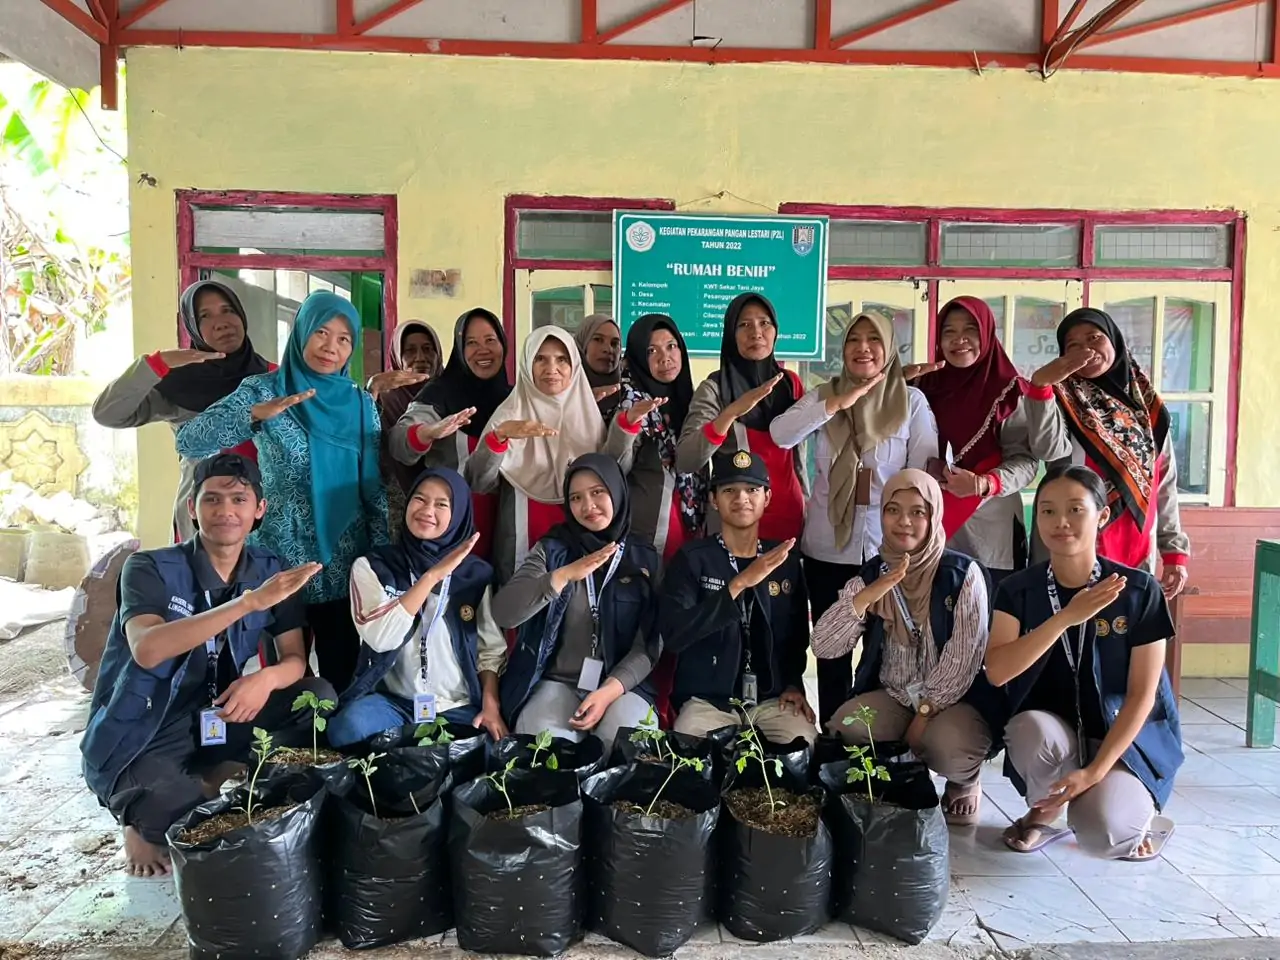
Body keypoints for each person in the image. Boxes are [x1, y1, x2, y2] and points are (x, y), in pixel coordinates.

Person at [80, 453, 334, 877]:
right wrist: (248, 603)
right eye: (212, 499)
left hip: (221, 709)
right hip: (153, 721)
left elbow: (294, 659)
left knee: (317, 696)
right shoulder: (149, 568)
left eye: (239, 499)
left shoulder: (269, 569)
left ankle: (214, 773)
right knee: (172, 811)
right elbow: (147, 649)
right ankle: (138, 819)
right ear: (192, 508)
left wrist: (265, 680)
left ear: (259, 509)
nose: (226, 511)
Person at [177, 291, 389, 692]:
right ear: (302, 332)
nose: (331, 346)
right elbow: (189, 440)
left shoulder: (360, 404)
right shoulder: (262, 390)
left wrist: (381, 558)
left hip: (342, 560)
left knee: (343, 679)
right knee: (281, 681)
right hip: (279, 558)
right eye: (322, 332)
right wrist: (252, 416)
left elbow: (372, 489)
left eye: (344, 339)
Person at [986, 464, 1182, 860]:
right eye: (1047, 511)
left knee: (1105, 836)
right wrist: (1065, 618)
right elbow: (998, 671)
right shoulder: (1016, 590)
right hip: (1058, 734)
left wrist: (1094, 772)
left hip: (1123, 740)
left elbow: (1142, 697)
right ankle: (1046, 811)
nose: (1061, 522)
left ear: (1102, 515)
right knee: (1027, 728)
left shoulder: (1138, 590)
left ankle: (1134, 810)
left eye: (1075, 509)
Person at [769, 312, 938, 724]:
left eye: (873, 339)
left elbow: (923, 476)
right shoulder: (824, 395)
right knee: (832, 655)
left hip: (887, 552)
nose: (863, 348)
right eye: (853, 340)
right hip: (827, 548)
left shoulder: (911, 402)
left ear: (889, 349)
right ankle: (834, 734)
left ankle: (874, 738)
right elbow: (781, 434)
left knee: (884, 654)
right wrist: (836, 404)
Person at [811, 469, 1002, 826]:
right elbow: (823, 645)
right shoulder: (873, 574)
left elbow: (962, 661)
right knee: (846, 727)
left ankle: (964, 780)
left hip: (953, 702)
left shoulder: (961, 574)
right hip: (895, 693)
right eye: (893, 510)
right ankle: (902, 770)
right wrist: (867, 596)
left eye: (918, 512)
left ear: (934, 516)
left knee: (949, 747)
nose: (904, 522)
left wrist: (923, 717)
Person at [327, 467, 508, 747]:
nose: (427, 510)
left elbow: (489, 650)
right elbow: (381, 638)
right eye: (420, 499)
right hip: (393, 704)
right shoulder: (374, 566)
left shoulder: (475, 575)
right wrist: (431, 577)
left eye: (441, 504)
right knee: (347, 730)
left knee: (486, 746)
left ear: (459, 515)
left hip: (456, 706)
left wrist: (491, 706)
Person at [492, 454, 659, 752]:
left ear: (617, 492)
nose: (588, 505)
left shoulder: (645, 559)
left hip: (621, 686)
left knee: (630, 745)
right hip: (556, 682)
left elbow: (649, 644)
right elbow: (504, 612)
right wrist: (563, 575)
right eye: (576, 497)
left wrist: (608, 691)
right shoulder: (552, 550)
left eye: (597, 492)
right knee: (545, 753)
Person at [92, 279, 271, 540]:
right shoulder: (180, 386)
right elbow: (108, 413)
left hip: (266, 522)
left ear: (242, 316)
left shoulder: (273, 379)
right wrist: (155, 364)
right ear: (193, 326)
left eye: (227, 310)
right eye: (205, 316)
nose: (221, 323)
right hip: (201, 525)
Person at [659, 450, 817, 745]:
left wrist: (793, 684)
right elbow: (675, 635)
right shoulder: (692, 559)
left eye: (752, 490)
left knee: (801, 745)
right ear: (713, 499)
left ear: (767, 498)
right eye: (729, 490)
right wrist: (739, 584)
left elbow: (797, 638)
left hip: (773, 700)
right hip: (708, 701)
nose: (741, 498)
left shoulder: (784, 561)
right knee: (691, 748)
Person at [916, 297, 1075, 583]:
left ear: (987, 333)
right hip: (930, 526)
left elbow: (1026, 461)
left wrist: (984, 483)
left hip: (990, 532)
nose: (959, 340)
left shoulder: (1009, 391)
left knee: (991, 608)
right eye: (949, 331)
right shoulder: (923, 385)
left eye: (970, 330)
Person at [466, 327, 633, 584]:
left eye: (561, 359)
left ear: (574, 365)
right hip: (521, 533)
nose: (551, 368)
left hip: (582, 533)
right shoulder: (509, 415)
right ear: (527, 365)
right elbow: (478, 482)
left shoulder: (587, 413)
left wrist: (626, 429)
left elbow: (615, 476)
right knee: (523, 596)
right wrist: (498, 439)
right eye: (540, 359)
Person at [1047, 309, 1190, 599]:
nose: (1086, 349)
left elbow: (1164, 484)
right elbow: (1044, 449)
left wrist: (1174, 551)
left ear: (1114, 342)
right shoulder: (1059, 402)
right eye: (1073, 345)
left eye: (1094, 338)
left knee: (1130, 620)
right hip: (1073, 543)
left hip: (1136, 546)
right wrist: (1042, 389)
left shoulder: (1148, 409)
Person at [677, 293, 807, 543]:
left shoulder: (790, 383)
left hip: (790, 518)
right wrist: (732, 412)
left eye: (764, 323)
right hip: (736, 525)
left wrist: (806, 501)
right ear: (730, 334)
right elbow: (686, 459)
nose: (756, 332)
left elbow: (798, 459)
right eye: (744, 325)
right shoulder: (715, 389)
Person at [389, 308, 511, 560]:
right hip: (449, 522)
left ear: (503, 344)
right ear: (459, 349)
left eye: (490, 340)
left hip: (505, 521)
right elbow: (399, 442)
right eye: (471, 343)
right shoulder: (439, 393)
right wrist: (427, 433)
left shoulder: (514, 398)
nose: (483, 350)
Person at [607, 313, 705, 563]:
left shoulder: (690, 400)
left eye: (671, 346)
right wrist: (628, 424)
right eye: (652, 351)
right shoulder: (631, 403)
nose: (665, 357)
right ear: (639, 358)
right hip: (647, 540)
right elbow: (615, 467)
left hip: (692, 530)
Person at [371, 320, 443, 503]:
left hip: (445, 497)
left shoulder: (452, 394)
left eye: (427, 349)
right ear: (397, 357)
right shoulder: (383, 399)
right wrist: (371, 391)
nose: (420, 357)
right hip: (395, 501)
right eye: (410, 350)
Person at [575, 313, 623, 420]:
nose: (608, 349)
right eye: (598, 339)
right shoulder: (562, 390)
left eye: (614, 343)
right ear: (582, 344)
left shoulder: (632, 395)